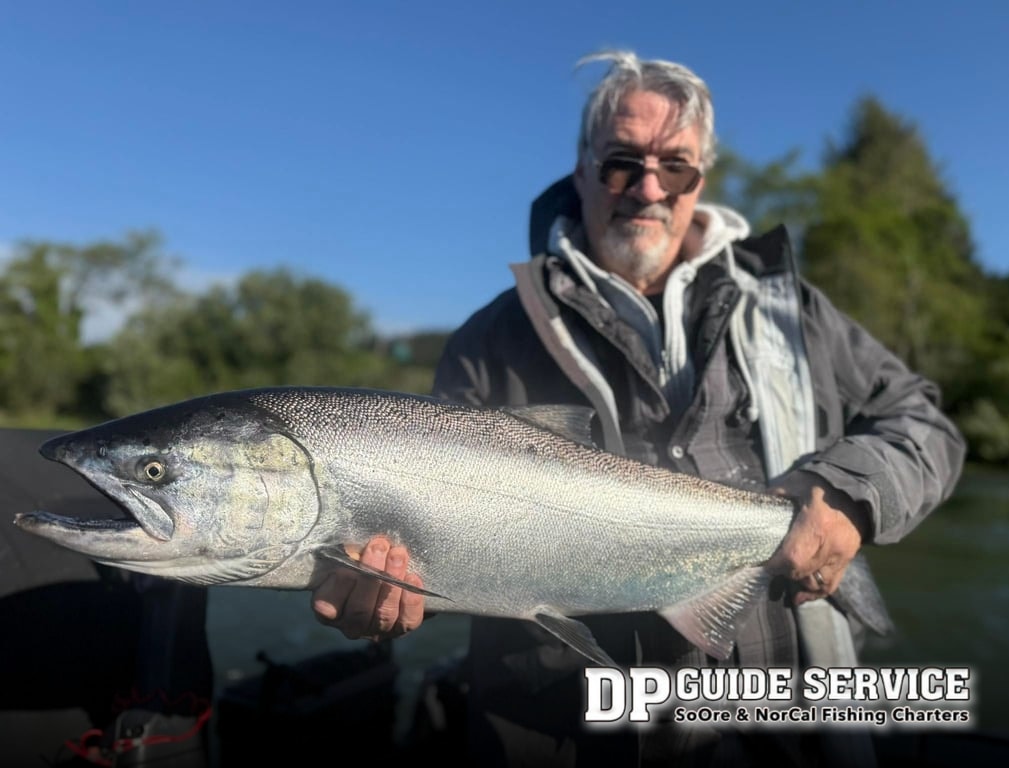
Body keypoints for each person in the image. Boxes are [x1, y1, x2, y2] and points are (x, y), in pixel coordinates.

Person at [310, 50, 966, 766]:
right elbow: (430, 555)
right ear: (584, 166)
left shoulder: (794, 313)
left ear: (700, 181)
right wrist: (386, 591)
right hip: (559, 736)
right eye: (623, 162)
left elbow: (922, 422)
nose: (648, 188)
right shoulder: (491, 340)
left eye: (675, 166)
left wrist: (852, 495)